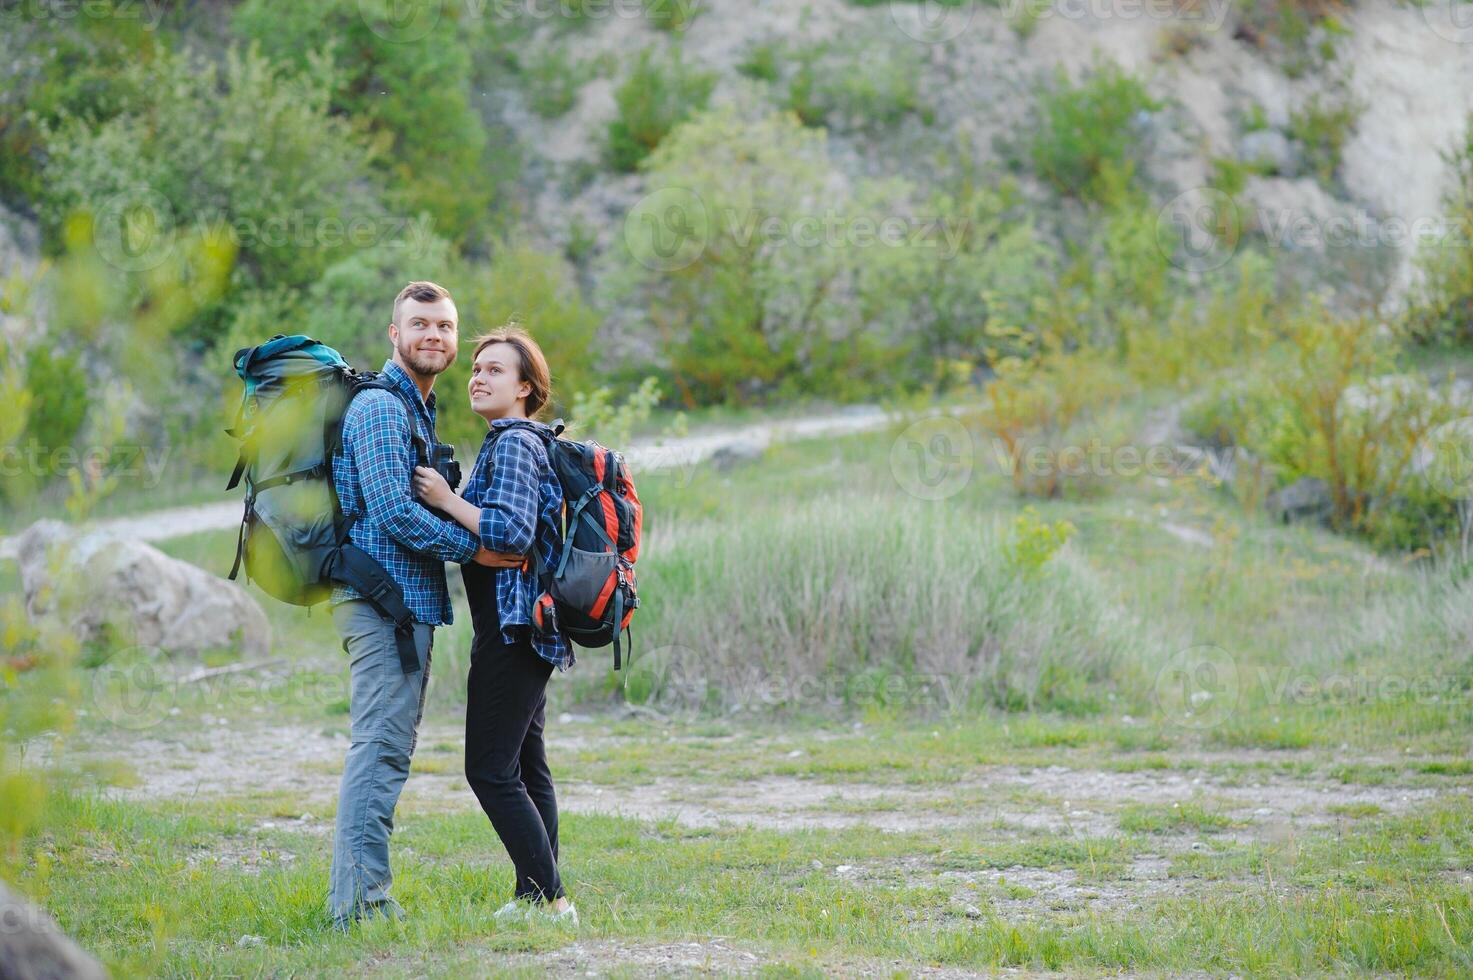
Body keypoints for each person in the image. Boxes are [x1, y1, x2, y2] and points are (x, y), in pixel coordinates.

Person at [328, 281, 522, 930]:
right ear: (394, 335)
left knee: (387, 751)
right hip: (381, 605)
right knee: (378, 750)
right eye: (419, 325)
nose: (433, 336)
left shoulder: (416, 408)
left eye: (443, 326)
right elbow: (391, 513)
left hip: (403, 606)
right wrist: (478, 552)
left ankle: (362, 901)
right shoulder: (382, 409)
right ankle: (359, 909)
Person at [412, 326, 578, 927]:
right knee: (526, 768)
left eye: (495, 370)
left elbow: (508, 534)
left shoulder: (513, 444)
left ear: (527, 387)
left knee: (487, 768)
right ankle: (536, 897)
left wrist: (445, 499)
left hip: (514, 630)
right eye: (475, 368)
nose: (478, 377)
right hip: (522, 628)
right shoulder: (518, 442)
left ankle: (552, 898)